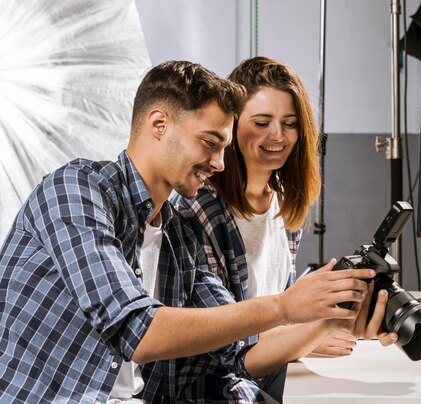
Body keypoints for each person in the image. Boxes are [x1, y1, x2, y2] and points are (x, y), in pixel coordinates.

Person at [0, 60, 377, 403]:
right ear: (159, 124)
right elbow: (139, 331)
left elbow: (238, 350)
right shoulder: (74, 192)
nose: (218, 163)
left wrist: (331, 316)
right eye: (209, 143)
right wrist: (284, 306)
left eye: (224, 148)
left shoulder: (179, 235)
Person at [176, 57, 397, 401]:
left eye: (290, 123)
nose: (277, 136)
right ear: (232, 126)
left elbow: (280, 322)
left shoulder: (282, 203)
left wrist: (318, 328)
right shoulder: (199, 211)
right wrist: (317, 330)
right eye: (262, 122)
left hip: (268, 373)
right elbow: (233, 352)